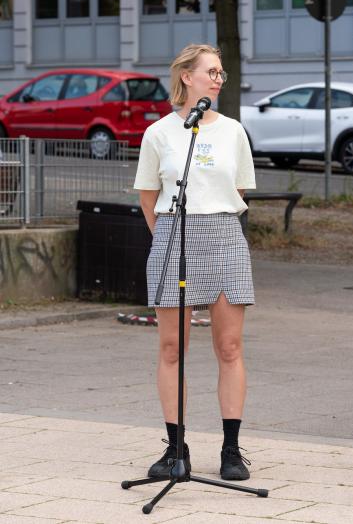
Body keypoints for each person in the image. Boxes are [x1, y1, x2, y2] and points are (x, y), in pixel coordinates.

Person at [134, 43, 257, 481]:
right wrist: (169, 237)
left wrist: (211, 220)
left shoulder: (234, 131)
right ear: (187, 77)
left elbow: (240, 191)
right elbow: (149, 199)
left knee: (229, 347)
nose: (218, 78)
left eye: (222, 72)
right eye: (211, 71)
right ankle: (175, 447)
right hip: (173, 235)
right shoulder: (160, 133)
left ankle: (230, 449)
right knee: (172, 349)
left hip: (223, 234)